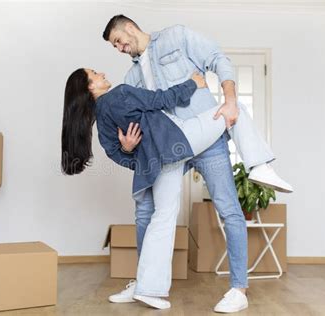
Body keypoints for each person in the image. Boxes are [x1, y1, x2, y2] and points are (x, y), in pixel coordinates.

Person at [102, 15, 293, 313]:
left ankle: (238, 288)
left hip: (207, 137)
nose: (119, 48)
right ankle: (145, 283)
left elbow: (218, 58)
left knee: (229, 208)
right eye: (115, 46)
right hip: (171, 147)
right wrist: (128, 147)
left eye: (118, 41)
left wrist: (229, 100)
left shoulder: (176, 37)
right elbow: (137, 126)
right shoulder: (131, 80)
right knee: (145, 211)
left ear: (128, 27)